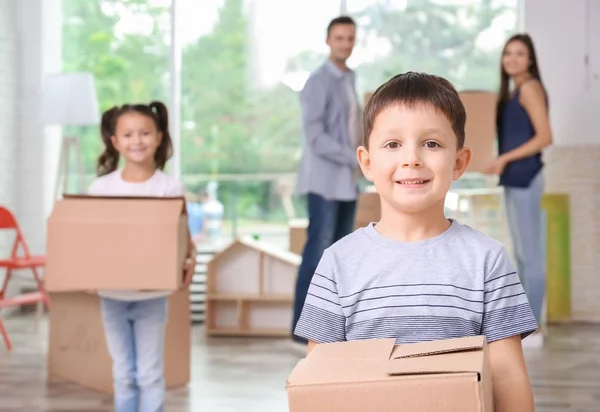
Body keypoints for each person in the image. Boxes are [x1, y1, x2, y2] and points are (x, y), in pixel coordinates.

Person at [295, 72, 538, 411]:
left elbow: (508, 377)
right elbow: (318, 380)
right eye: (393, 144)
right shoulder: (337, 263)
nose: (412, 159)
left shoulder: (488, 260)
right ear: (366, 162)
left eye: (432, 144)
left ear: (459, 162)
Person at [88, 101, 196, 412]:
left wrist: (190, 260)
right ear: (115, 141)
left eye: (145, 133)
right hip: (111, 294)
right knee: (122, 374)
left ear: (159, 137)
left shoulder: (169, 188)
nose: (138, 141)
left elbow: (183, 242)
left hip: (153, 295)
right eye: (129, 134)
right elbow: (89, 243)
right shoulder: (101, 189)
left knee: (148, 374)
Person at [292, 16, 363, 343]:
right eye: (339, 38)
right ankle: (302, 331)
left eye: (350, 38)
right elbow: (316, 137)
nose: (345, 44)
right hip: (324, 182)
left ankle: (331, 329)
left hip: (347, 181)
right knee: (317, 252)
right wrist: (356, 158)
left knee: (340, 255)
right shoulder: (317, 81)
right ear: (328, 40)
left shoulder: (350, 78)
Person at [486, 34, 552, 346]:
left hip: (526, 178)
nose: (512, 58)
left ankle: (534, 329)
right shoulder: (513, 92)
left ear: (530, 60)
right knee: (523, 257)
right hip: (515, 179)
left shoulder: (529, 88)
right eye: (507, 53)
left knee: (531, 257)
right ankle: (526, 327)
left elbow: (545, 137)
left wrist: (504, 158)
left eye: (520, 53)